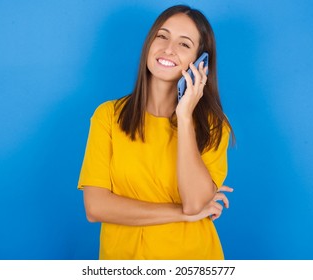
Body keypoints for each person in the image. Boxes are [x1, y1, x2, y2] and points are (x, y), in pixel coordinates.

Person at [77, 4, 235, 260]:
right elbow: (96, 208)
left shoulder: (213, 124)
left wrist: (184, 118)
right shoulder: (108, 116)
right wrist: (182, 213)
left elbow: (195, 202)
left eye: (184, 44)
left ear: (200, 62)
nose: (168, 49)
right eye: (162, 36)